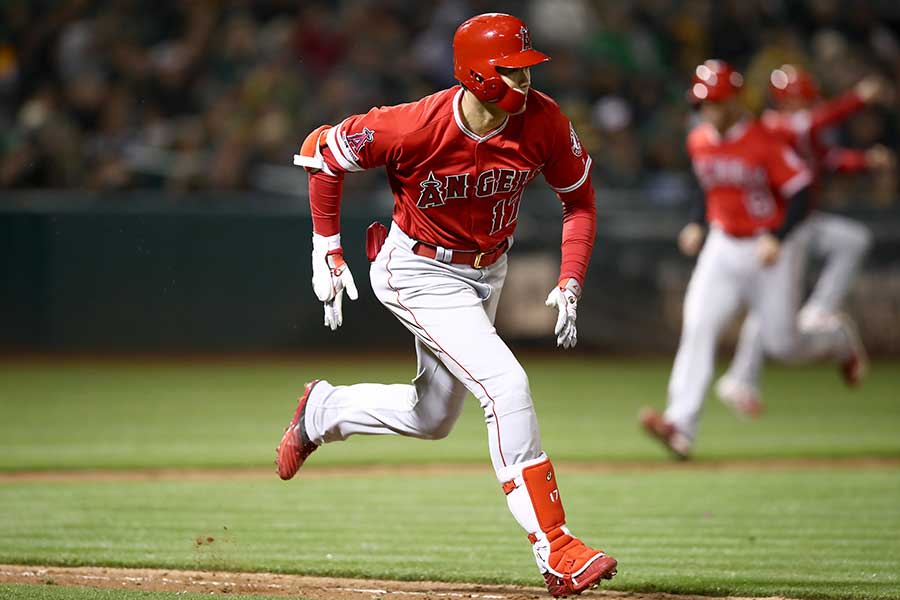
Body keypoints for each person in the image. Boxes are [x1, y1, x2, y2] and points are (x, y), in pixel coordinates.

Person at [277, 13, 617, 596]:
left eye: (528, 69)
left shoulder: (544, 122)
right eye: (513, 71)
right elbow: (321, 152)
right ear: (478, 74)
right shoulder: (413, 126)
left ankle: (323, 412)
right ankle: (555, 545)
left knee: (433, 418)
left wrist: (572, 277)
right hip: (417, 269)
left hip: (488, 271)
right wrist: (325, 247)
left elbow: (578, 200)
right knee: (505, 385)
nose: (526, 82)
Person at [640, 60, 865, 459]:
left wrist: (778, 236)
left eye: (715, 101)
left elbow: (799, 189)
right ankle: (680, 426)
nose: (708, 110)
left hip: (768, 249)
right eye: (703, 102)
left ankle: (836, 339)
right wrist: (696, 223)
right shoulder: (700, 139)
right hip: (724, 244)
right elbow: (705, 184)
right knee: (698, 326)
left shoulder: (763, 140)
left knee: (784, 344)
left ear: (734, 101)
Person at [715, 65, 893, 417]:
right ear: (779, 101)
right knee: (769, 313)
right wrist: (858, 98)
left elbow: (827, 160)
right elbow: (812, 124)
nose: (801, 106)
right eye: (793, 100)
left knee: (853, 240)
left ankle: (819, 311)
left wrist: (864, 161)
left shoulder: (803, 132)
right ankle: (743, 378)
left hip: (800, 224)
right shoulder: (770, 125)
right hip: (774, 230)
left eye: (804, 100)